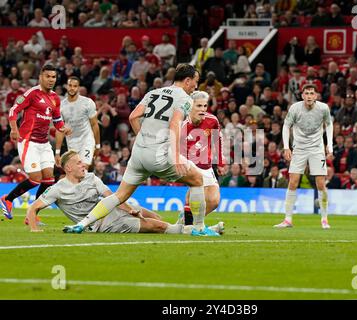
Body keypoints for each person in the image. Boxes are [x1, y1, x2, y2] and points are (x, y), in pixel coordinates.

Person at [62, 64, 219, 236]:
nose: (196, 86)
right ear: (187, 80)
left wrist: (142, 137)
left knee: (120, 195)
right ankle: (198, 228)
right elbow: (175, 124)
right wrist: (175, 156)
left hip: (138, 153)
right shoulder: (186, 99)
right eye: (195, 82)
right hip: (160, 155)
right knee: (197, 180)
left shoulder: (153, 93)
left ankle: (81, 224)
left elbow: (133, 117)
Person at [26, 150, 189, 235]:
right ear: (68, 168)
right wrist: (34, 229)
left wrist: (131, 210)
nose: (84, 165)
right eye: (79, 163)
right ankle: (187, 229)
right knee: (157, 226)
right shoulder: (58, 189)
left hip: (115, 210)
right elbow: (33, 208)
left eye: (83, 162)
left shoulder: (91, 177)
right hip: (103, 224)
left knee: (156, 217)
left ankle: (182, 224)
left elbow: (112, 198)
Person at [1, 65, 72, 221]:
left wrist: (64, 128)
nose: (51, 80)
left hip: (44, 143)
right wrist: (14, 129)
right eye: (48, 76)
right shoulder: (32, 94)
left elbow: (57, 120)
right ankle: (7, 199)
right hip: (29, 141)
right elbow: (13, 110)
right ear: (41, 76)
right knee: (35, 178)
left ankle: (32, 214)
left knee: (49, 180)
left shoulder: (55, 98)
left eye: (53, 77)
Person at [274, 84, 333, 229]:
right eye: (306, 93)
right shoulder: (295, 108)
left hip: (316, 149)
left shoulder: (323, 108)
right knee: (293, 182)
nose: (309, 96)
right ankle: (288, 220)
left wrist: (329, 145)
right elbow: (286, 126)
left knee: (320, 183)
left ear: (316, 96)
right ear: (302, 96)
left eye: (312, 93)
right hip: (299, 148)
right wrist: (286, 147)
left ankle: (324, 219)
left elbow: (329, 125)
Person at [178, 91, 226, 231]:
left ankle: (187, 222)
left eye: (205, 106)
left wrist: (221, 162)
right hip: (188, 164)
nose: (203, 109)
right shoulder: (181, 123)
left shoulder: (212, 121)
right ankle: (190, 226)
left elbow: (218, 140)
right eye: (199, 106)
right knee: (194, 189)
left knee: (214, 200)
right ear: (190, 106)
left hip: (206, 165)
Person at [55, 76, 101, 170]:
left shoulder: (87, 103)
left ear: (78, 88)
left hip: (86, 140)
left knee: (83, 168)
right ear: (66, 86)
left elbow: (94, 125)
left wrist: (97, 145)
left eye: (75, 86)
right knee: (75, 172)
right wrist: (57, 152)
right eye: (70, 85)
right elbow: (60, 130)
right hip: (72, 143)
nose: (72, 88)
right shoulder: (60, 106)